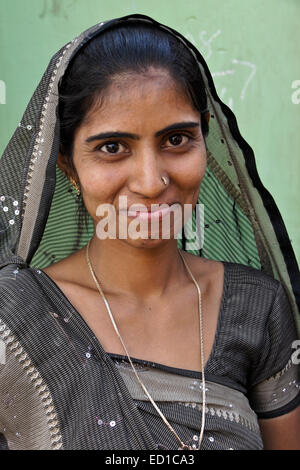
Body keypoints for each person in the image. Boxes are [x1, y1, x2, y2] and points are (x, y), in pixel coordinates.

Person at [0, 13, 299, 451]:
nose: (150, 181)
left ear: (205, 139)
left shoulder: (257, 308)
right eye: (112, 147)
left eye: (176, 139)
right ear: (65, 163)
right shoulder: (15, 318)